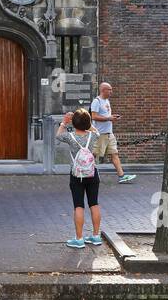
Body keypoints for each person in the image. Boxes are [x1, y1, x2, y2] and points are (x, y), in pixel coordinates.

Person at [57, 108, 103, 248]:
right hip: (92, 173)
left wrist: (64, 123)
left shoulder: (69, 136)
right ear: (88, 122)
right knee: (94, 203)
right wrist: (87, 124)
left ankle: (79, 238)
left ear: (74, 123)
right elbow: (96, 132)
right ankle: (96, 236)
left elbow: (58, 136)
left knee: (79, 205)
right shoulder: (93, 136)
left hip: (77, 175)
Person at [89, 82, 135, 183]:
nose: (111, 92)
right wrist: (109, 118)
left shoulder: (107, 101)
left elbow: (105, 115)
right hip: (99, 134)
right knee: (93, 155)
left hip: (109, 133)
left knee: (115, 154)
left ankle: (121, 176)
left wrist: (112, 117)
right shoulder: (97, 101)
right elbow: (94, 116)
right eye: (109, 90)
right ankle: (86, 174)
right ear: (103, 90)